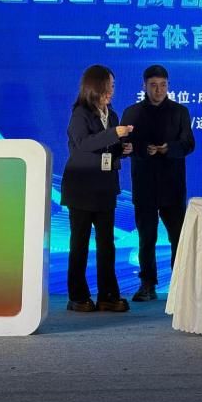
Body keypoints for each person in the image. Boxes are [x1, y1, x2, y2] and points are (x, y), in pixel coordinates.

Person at [60, 65, 134, 313]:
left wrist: (123, 149)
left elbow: (108, 149)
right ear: (96, 87)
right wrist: (114, 134)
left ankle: (108, 295)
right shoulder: (80, 113)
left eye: (113, 86)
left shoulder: (112, 115)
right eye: (109, 86)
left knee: (107, 245)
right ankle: (78, 296)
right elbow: (83, 144)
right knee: (79, 244)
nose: (112, 90)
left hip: (105, 188)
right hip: (81, 189)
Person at [121, 65, 195, 302]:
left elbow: (188, 144)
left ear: (168, 86)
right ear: (144, 86)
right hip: (144, 183)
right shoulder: (132, 113)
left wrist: (167, 148)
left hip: (172, 184)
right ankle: (147, 284)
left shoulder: (180, 111)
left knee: (178, 237)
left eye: (163, 85)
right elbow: (124, 145)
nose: (159, 90)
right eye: (153, 85)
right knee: (146, 238)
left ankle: (180, 285)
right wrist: (144, 149)